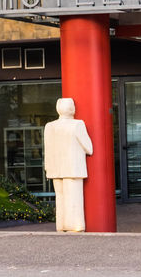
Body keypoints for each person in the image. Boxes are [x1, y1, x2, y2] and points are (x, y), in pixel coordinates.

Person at [44, 98, 93, 232]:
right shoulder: (77, 124)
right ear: (72, 109)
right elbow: (89, 148)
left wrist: (47, 167)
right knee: (74, 199)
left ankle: (61, 226)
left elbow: (47, 149)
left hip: (55, 169)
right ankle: (74, 226)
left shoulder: (50, 126)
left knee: (60, 198)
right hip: (73, 168)